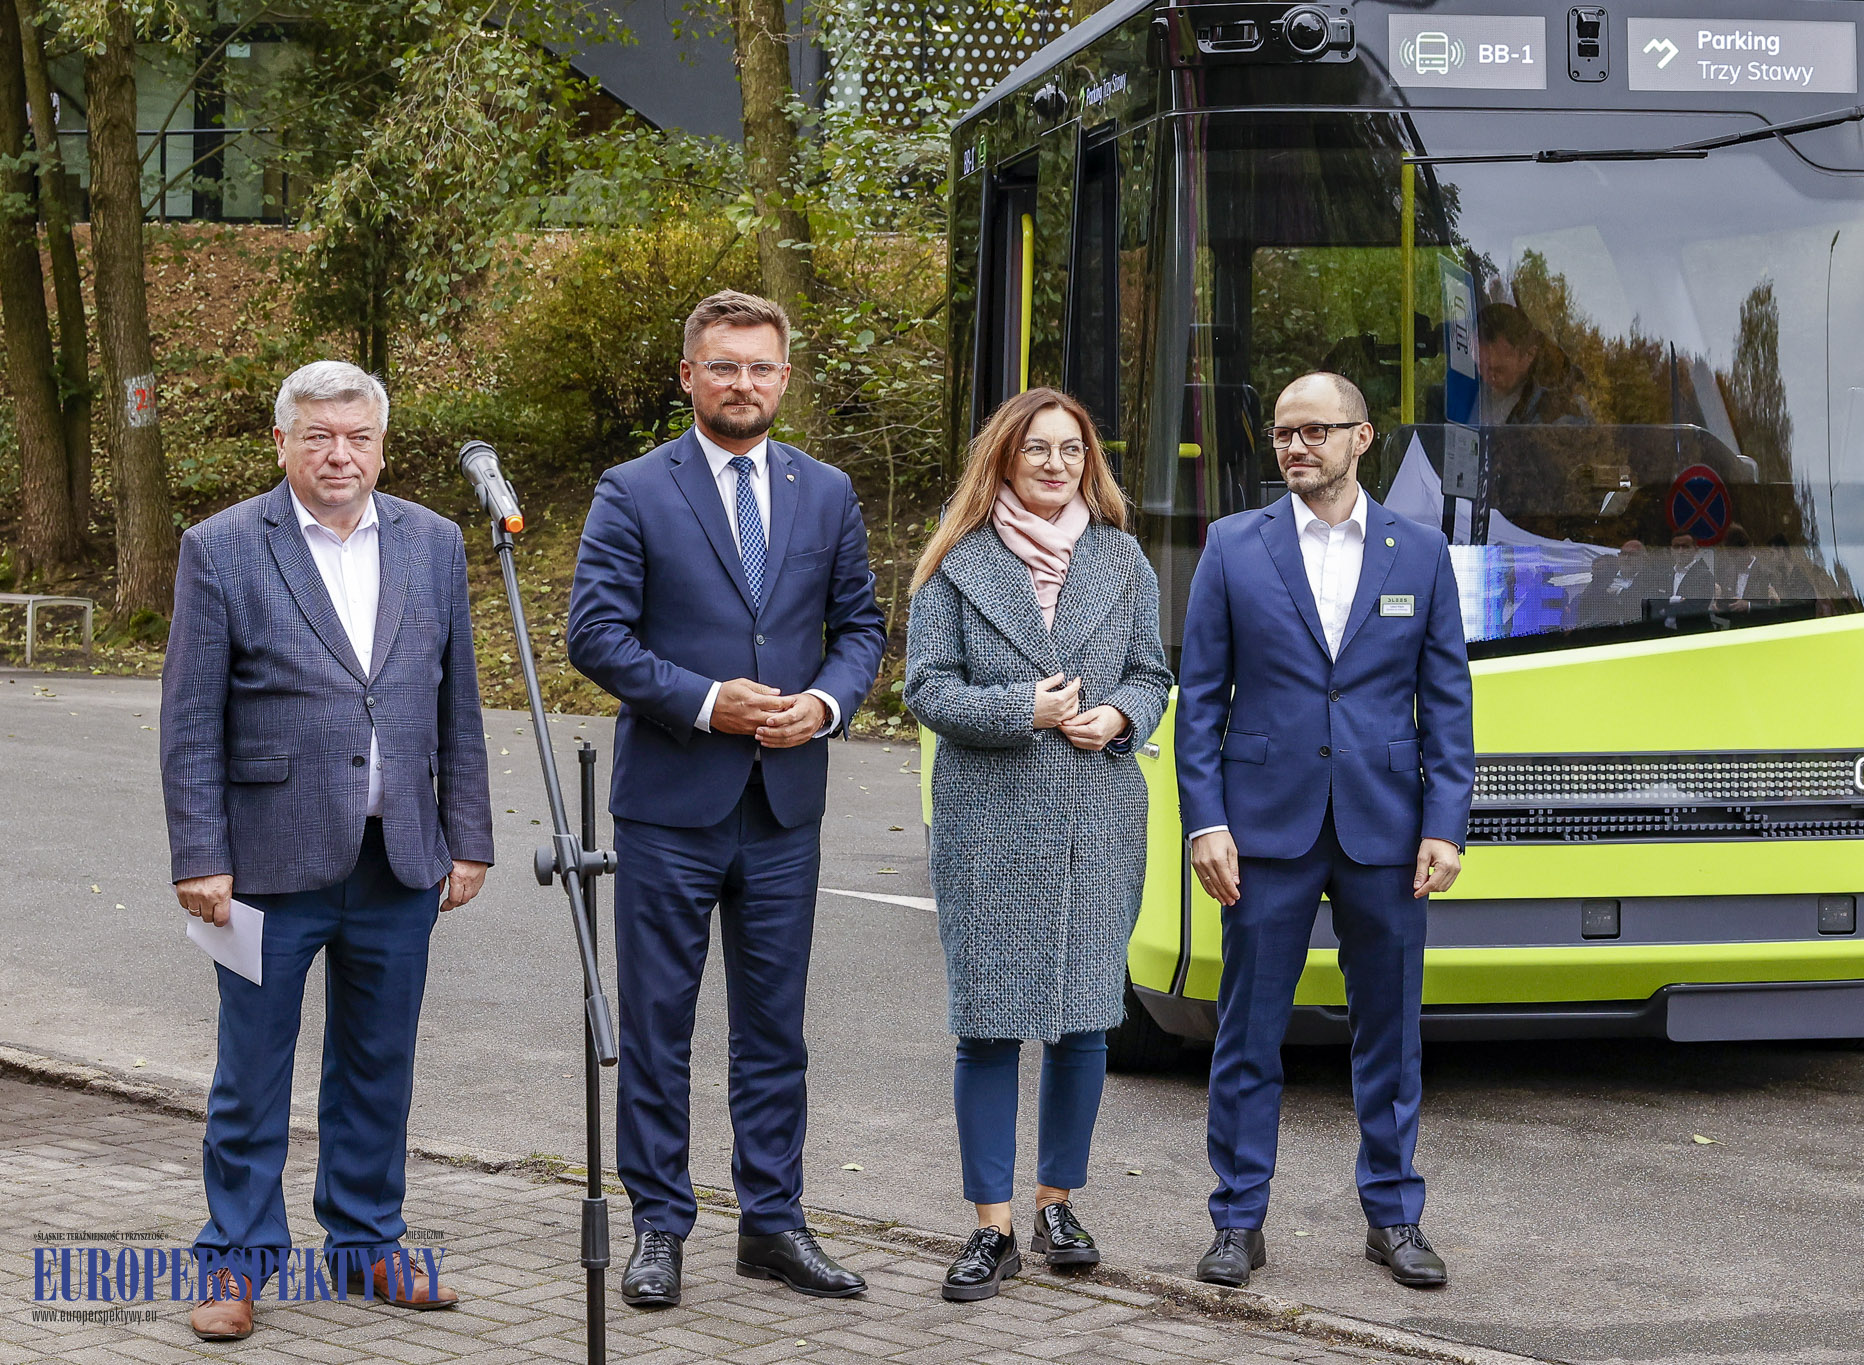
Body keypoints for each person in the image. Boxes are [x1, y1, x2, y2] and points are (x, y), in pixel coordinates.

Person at [160, 360, 494, 1341]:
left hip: (399, 858)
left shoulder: (432, 543)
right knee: (251, 1074)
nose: (339, 454)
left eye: (357, 436)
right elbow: (188, 725)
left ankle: (365, 1241)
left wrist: (465, 836)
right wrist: (198, 856)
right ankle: (236, 1260)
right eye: (318, 436)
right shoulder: (220, 549)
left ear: (382, 444)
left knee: (378, 1065)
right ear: (283, 442)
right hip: (261, 864)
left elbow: (456, 706)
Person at [566, 290, 887, 1307]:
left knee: (774, 1031)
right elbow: (597, 637)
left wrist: (828, 706)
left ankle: (773, 1226)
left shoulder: (825, 491)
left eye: (759, 367)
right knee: (658, 1025)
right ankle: (658, 1225)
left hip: (785, 807)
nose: (741, 383)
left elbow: (860, 629)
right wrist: (708, 703)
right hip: (670, 803)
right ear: (688, 376)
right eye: (722, 366)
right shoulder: (631, 490)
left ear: (783, 379)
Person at [1176, 371, 1475, 1292]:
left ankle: (1394, 1216)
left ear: (1363, 438)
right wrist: (1206, 821)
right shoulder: (1233, 546)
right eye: (1282, 433)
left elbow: (1448, 700)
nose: (1295, 446)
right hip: (1264, 828)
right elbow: (1200, 702)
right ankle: (1237, 1221)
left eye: (1315, 431)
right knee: (1247, 1030)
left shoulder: (1420, 553)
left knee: (1389, 1032)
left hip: (1387, 830)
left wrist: (1446, 824)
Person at [903, 387, 1173, 1302]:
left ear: (1087, 459)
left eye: (1070, 450)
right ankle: (992, 1225)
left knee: (1085, 1019)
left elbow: (1153, 672)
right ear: (1004, 461)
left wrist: (1122, 715)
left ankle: (1058, 1200)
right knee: (987, 1025)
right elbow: (926, 690)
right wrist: (1027, 710)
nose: (1055, 465)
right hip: (989, 824)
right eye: (1037, 451)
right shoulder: (956, 564)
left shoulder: (1123, 558)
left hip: (1097, 817)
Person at [1474, 302, 1591, 427]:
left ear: (1529, 355)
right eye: (1481, 366)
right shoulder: (1469, 388)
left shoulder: (1559, 415)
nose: (1486, 377)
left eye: (1498, 370)